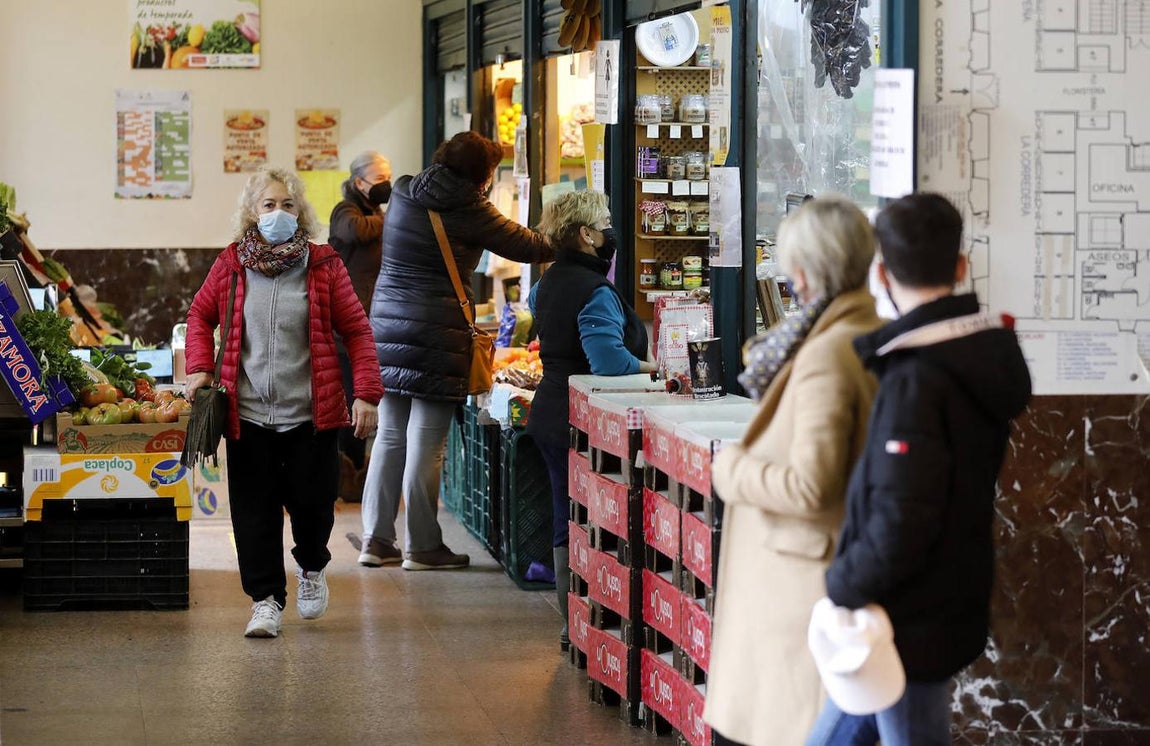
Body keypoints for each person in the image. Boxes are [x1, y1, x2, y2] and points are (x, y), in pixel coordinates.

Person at [806, 194, 1031, 746]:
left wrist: (843, 582)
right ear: (960, 267)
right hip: (941, 601)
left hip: (905, 617)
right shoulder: (976, 357)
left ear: (881, 274)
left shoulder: (917, 377)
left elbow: (903, 516)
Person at [704, 196, 884, 746]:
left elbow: (811, 483)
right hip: (809, 576)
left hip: (794, 586)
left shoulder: (827, 354)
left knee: (777, 726)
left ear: (804, 272)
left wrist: (731, 469)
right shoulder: (861, 332)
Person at [185, 167, 383, 639]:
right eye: (269, 205)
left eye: (288, 205)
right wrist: (200, 367)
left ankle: (312, 569)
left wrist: (367, 395)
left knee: (313, 505)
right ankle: (265, 601)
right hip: (246, 410)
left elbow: (356, 330)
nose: (278, 213)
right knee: (253, 511)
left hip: (311, 413)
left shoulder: (323, 263)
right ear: (253, 214)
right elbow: (199, 314)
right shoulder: (232, 263)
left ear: (302, 213)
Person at [358, 132, 555, 570]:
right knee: (427, 444)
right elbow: (528, 246)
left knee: (390, 435)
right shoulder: (470, 207)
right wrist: (574, 237)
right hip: (435, 335)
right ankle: (423, 546)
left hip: (386, 326)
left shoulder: (406, 190)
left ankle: (376, 540)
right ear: (482, 176)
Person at [527, 191, 657, 650]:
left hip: (548, 410)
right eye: (603, 222)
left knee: (567, 515)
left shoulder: (545, 283)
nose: (609, 231)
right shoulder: (594, 290)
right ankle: (579, 626)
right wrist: (660, 370)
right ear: (586, 235)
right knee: (585, 519)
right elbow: (608, 362)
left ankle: (575, 621)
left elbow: (544, 324)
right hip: (580, 422)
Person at [329, 151, 392, 501]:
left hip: (369, 322)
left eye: (389, 176)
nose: (386, 183)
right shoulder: (346, 211)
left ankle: (353, 477)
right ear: (358, 182)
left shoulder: (375, 212)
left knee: (362, 399)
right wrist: (393, 216)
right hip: (343, 326)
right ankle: (344, 477)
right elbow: (352, 232)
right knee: (350, 400)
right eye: (379, 177)